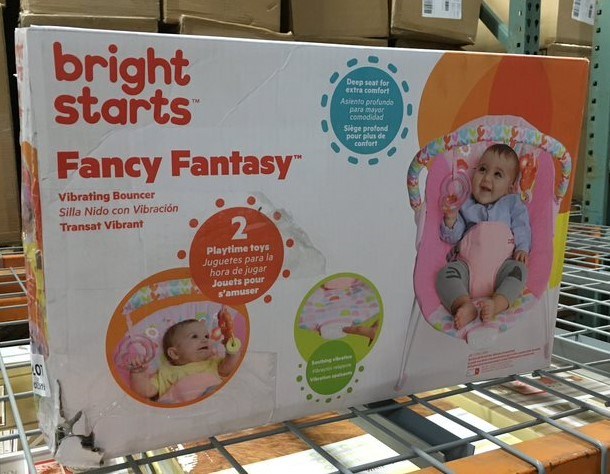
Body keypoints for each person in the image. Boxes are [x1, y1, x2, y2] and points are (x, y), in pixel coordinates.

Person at [436, 143, 531, 329]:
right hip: (467, 268)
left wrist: (522, 248)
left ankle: (497, 303)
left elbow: (522, 226)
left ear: (510, 187)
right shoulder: (466, 205)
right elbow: (454, 237)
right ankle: (464, 304)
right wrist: (451, 219)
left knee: (519, 271)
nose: (487, 178)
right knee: (445, 274)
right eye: (482, 169)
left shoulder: (512, 204)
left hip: (502, 267)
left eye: (498, 174)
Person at [129, 308, 241, 401]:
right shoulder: (166, 372)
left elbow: (230, 367)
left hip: (211, 401)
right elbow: (146, 391)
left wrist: (232, 351)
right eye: (194, 336)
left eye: (206, 336)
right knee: (181, 389)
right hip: (182, 410)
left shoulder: (213, 363)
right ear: (174, 353)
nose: (205, 340)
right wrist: (138, 373)